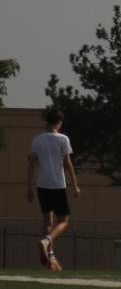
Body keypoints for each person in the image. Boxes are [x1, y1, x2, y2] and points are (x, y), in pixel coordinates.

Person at [27, 106, 78, 271]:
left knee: (47, 221)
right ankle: (46, 241)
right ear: (59, 122)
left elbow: (31, 164)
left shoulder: (37, 140)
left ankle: (51, 257)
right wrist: (75, 185)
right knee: (63, 221)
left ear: (46, 121)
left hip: (42, 185)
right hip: (57, 185)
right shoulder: (63, 139)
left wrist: (29, 187)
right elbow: (67, 163)